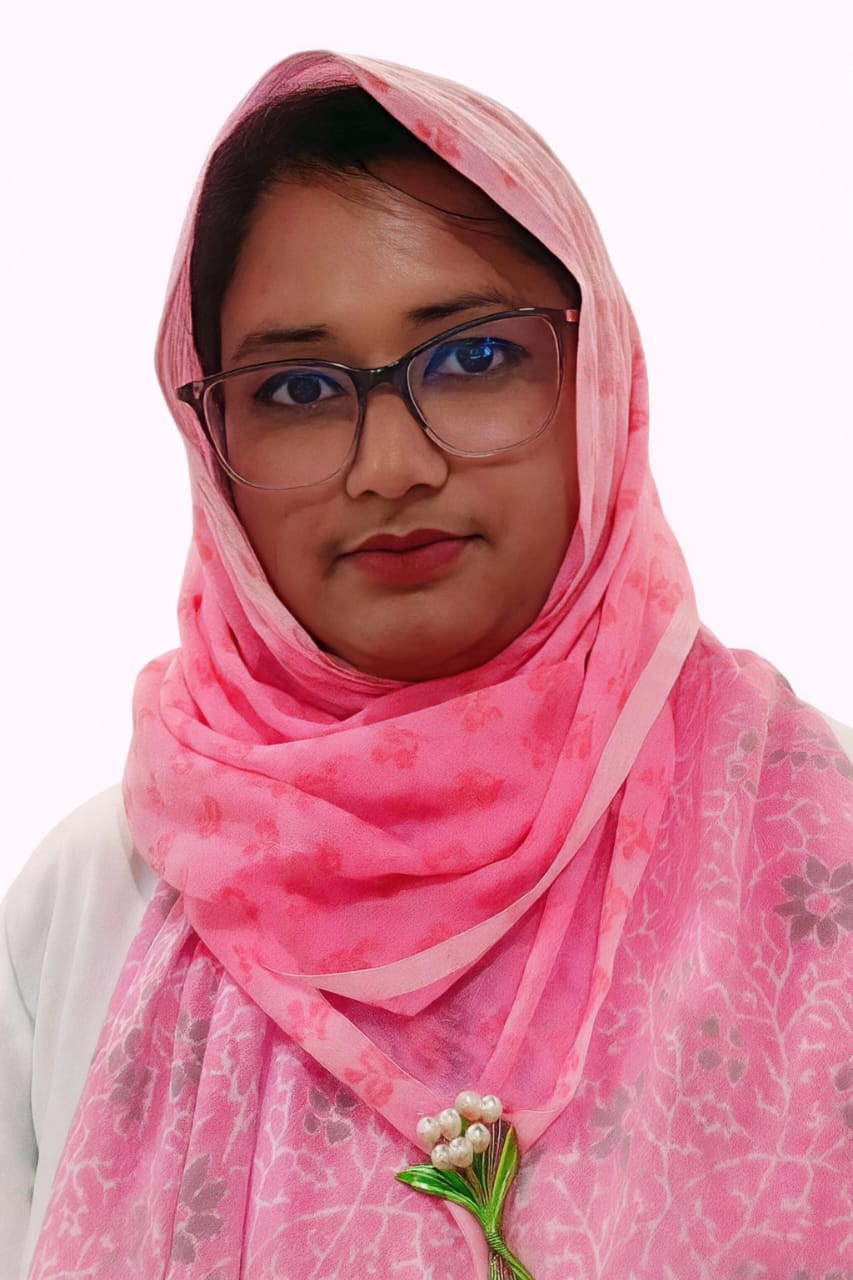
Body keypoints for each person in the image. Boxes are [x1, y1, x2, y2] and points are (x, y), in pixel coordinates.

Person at [2, 48, 852, 1280]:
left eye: (472, 359)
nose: (390, 466)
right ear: (212, 437)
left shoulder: (819, 841)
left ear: (596, 377)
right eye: (298, 387)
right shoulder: (105, 897)